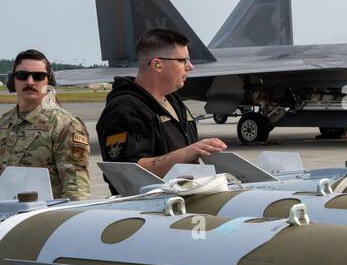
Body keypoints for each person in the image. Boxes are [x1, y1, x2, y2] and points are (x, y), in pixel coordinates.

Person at [95, 28, 226, 188]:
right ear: (157, 64)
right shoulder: (125, 109)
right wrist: (186, 153)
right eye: (183, 60)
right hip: (150, 207)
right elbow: (124, 170)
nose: (190, 67)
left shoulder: (175, 102)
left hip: (183, 200)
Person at [0, 49, 91, 200]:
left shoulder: (66, 126)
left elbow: (75, 191)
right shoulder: (3, 123)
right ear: (12, 80)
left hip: (42, 219)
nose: (30, 81)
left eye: (38, 76)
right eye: (22, 75)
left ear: (49, 81)